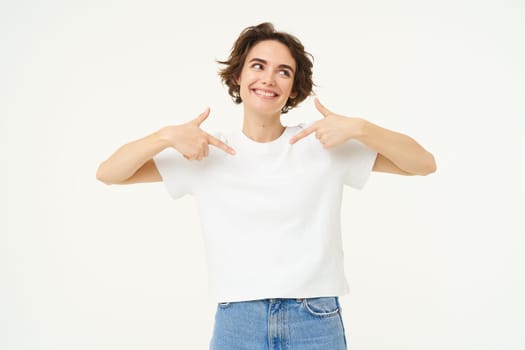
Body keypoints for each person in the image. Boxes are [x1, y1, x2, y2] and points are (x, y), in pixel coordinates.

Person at [96, 22, 436, 350]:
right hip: (238, 321)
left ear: (293, 89)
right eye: (258, 66)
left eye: (283, 72)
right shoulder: (206, 150)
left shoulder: (321, 145)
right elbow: (109, 173)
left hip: (315, 319)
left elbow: (423, 164)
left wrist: (361, 128)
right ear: (238, 75)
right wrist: (166, 136)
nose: (269, 79)